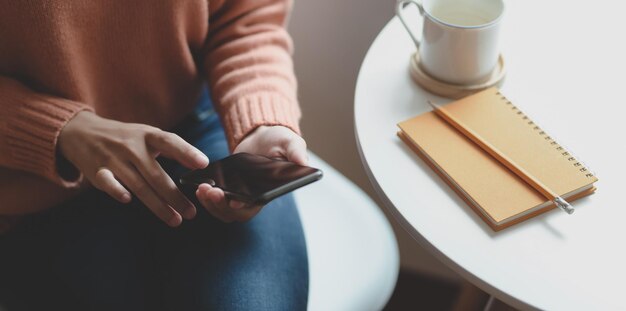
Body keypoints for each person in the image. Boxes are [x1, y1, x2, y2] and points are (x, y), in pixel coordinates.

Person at [0, 0, 309, 310]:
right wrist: (61, 130)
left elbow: (244, 15)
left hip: (193, 131)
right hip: (38, 185)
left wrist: (261, 118)